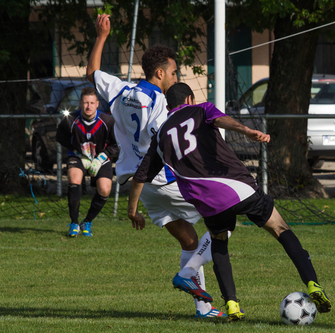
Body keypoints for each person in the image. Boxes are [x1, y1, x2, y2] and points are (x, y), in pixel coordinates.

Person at [127, 83, 332, 321]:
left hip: (208, 203)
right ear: (189, 99)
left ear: (168, 106)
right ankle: (313, 284)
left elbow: (140, 176)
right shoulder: (201, 109)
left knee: (219, 242)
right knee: (280, 228)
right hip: (237, 187)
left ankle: (233, 305)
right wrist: (247, 131)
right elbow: (222, 121)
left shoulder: (161, 135)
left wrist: (133, 211)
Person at [86, 14, 225, 318]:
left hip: (141, 186)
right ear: (160, 73)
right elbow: (164, 145)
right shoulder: (160, 103)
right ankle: (187, 274)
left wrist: (102, 36)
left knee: (189, 239)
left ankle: (203, 308)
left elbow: (92, 71)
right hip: (162, 177)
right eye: (174, 72)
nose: (176, 78)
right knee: (226, 217)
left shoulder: (121, 91)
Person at [56, 87, 118, 238]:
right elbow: (60, 137)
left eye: (91, 103)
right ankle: (74, 223)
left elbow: (117, 145)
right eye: (85, 103)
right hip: (78, 157)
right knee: (74, 180)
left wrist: (101, 158)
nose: (88, 106)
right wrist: (77, 151)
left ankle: (87, 222)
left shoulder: (108, 121)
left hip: (100, 159)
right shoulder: (70, 120)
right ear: (80, 104)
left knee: (104, 190)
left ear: (97, 104)